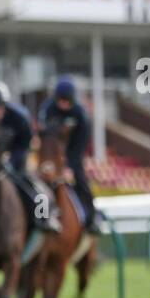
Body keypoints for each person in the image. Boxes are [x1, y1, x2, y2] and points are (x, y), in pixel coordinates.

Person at [0, 81, 61, 234]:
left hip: (16, 162)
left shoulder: (20, 117)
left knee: (37, 191)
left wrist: (11, 162)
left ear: (4, 105)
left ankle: (45, 217)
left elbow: (25, 144)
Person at [38, 75, 101, 233]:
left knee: (81, 180)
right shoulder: (47, 110)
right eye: (61, 100)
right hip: (50, 155)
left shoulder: (81, 115)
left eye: (67, 101)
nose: (64, 104)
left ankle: (92, 218)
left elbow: (80, 144)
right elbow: (43, 136)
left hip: (73, 153)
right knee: (40, 184)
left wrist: (69, 166)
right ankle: (42, 216)